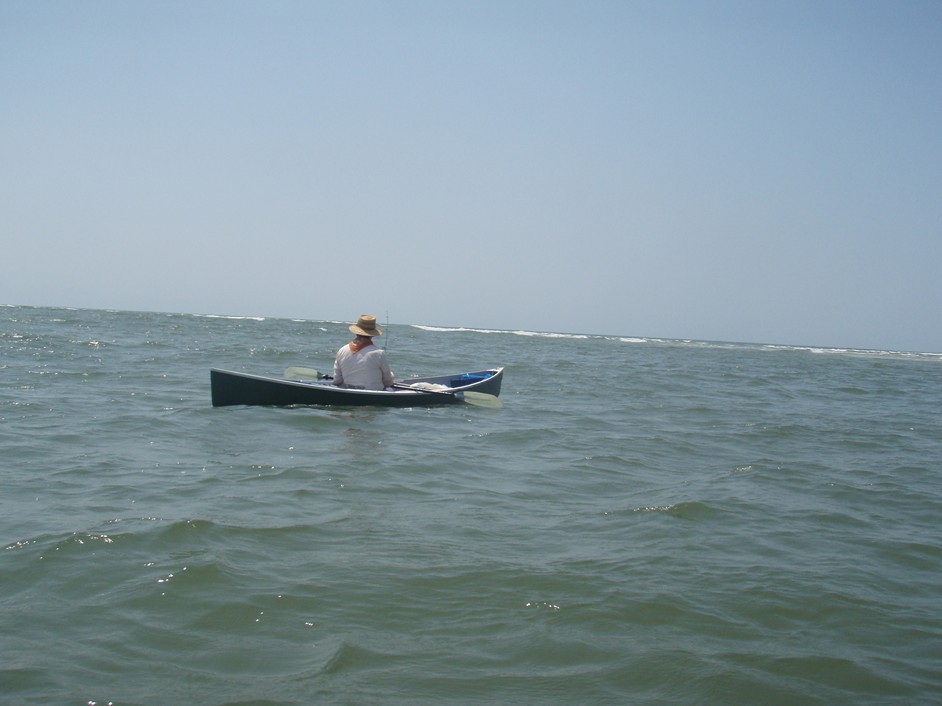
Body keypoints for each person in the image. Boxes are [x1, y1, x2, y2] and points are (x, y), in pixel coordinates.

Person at [332, 314, 394, 391]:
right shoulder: (379, 353)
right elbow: (388, 382)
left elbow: (337, 380)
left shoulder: (342, 350)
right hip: (372, 393)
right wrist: (391, 376)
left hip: (348, 392)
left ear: (356, 332)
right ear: (372, 335)